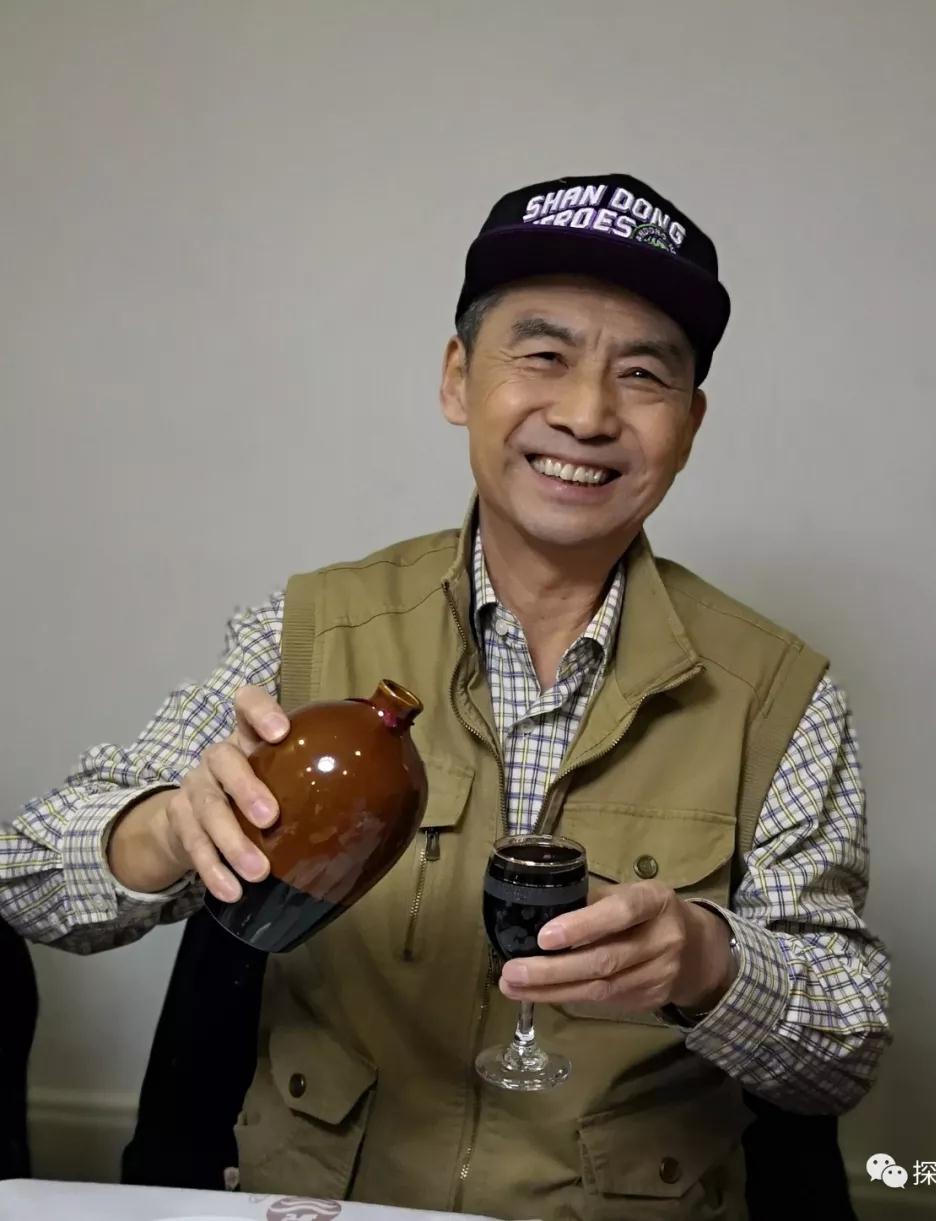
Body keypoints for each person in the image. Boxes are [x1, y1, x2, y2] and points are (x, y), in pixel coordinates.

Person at [0, 173, 890, 1220]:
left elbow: (845, 1048)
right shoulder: (308, 631)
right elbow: (24, 874)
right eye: (544, 355)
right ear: (459, 379)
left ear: (689, 425)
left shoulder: (778, 693)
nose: (587, 413)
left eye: (643, 374)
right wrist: (162, 830)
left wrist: (708, 961)